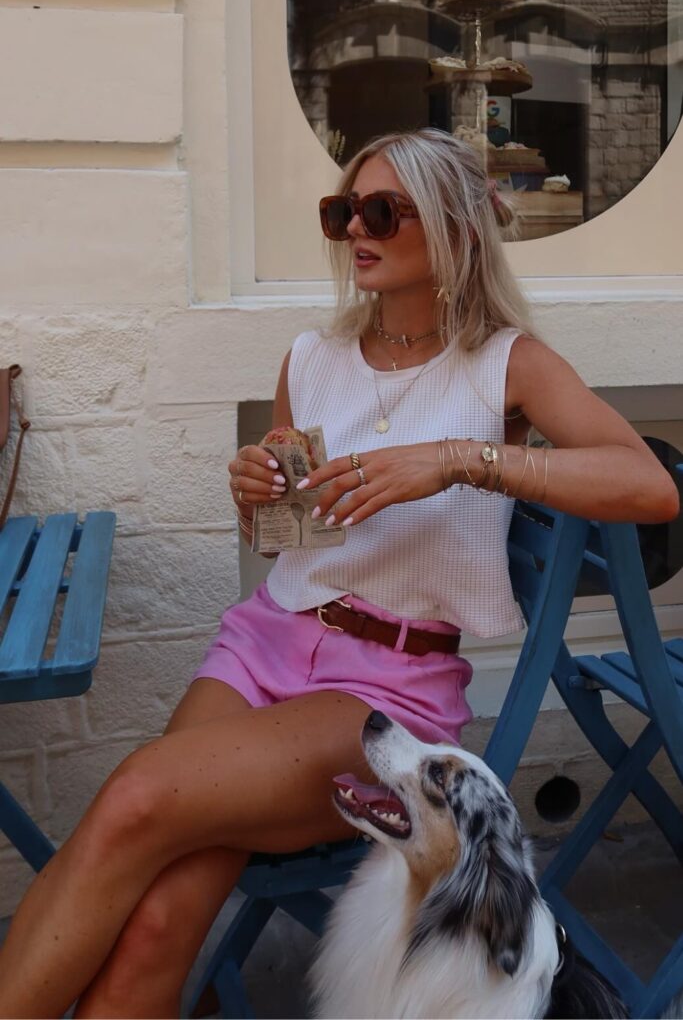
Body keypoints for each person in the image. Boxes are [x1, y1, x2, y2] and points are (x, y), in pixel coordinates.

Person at [0, 128, 677, 1019]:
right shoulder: (311, 360)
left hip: (382, 688)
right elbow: (294, 539)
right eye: (341, 210)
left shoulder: (505, 364)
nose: (354, 227)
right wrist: (255, 496)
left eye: (381, 211)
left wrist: (459, 460)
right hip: (263, 645)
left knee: (134, 799)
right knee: (159, 922)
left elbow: (650, 486)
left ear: (457, 230)